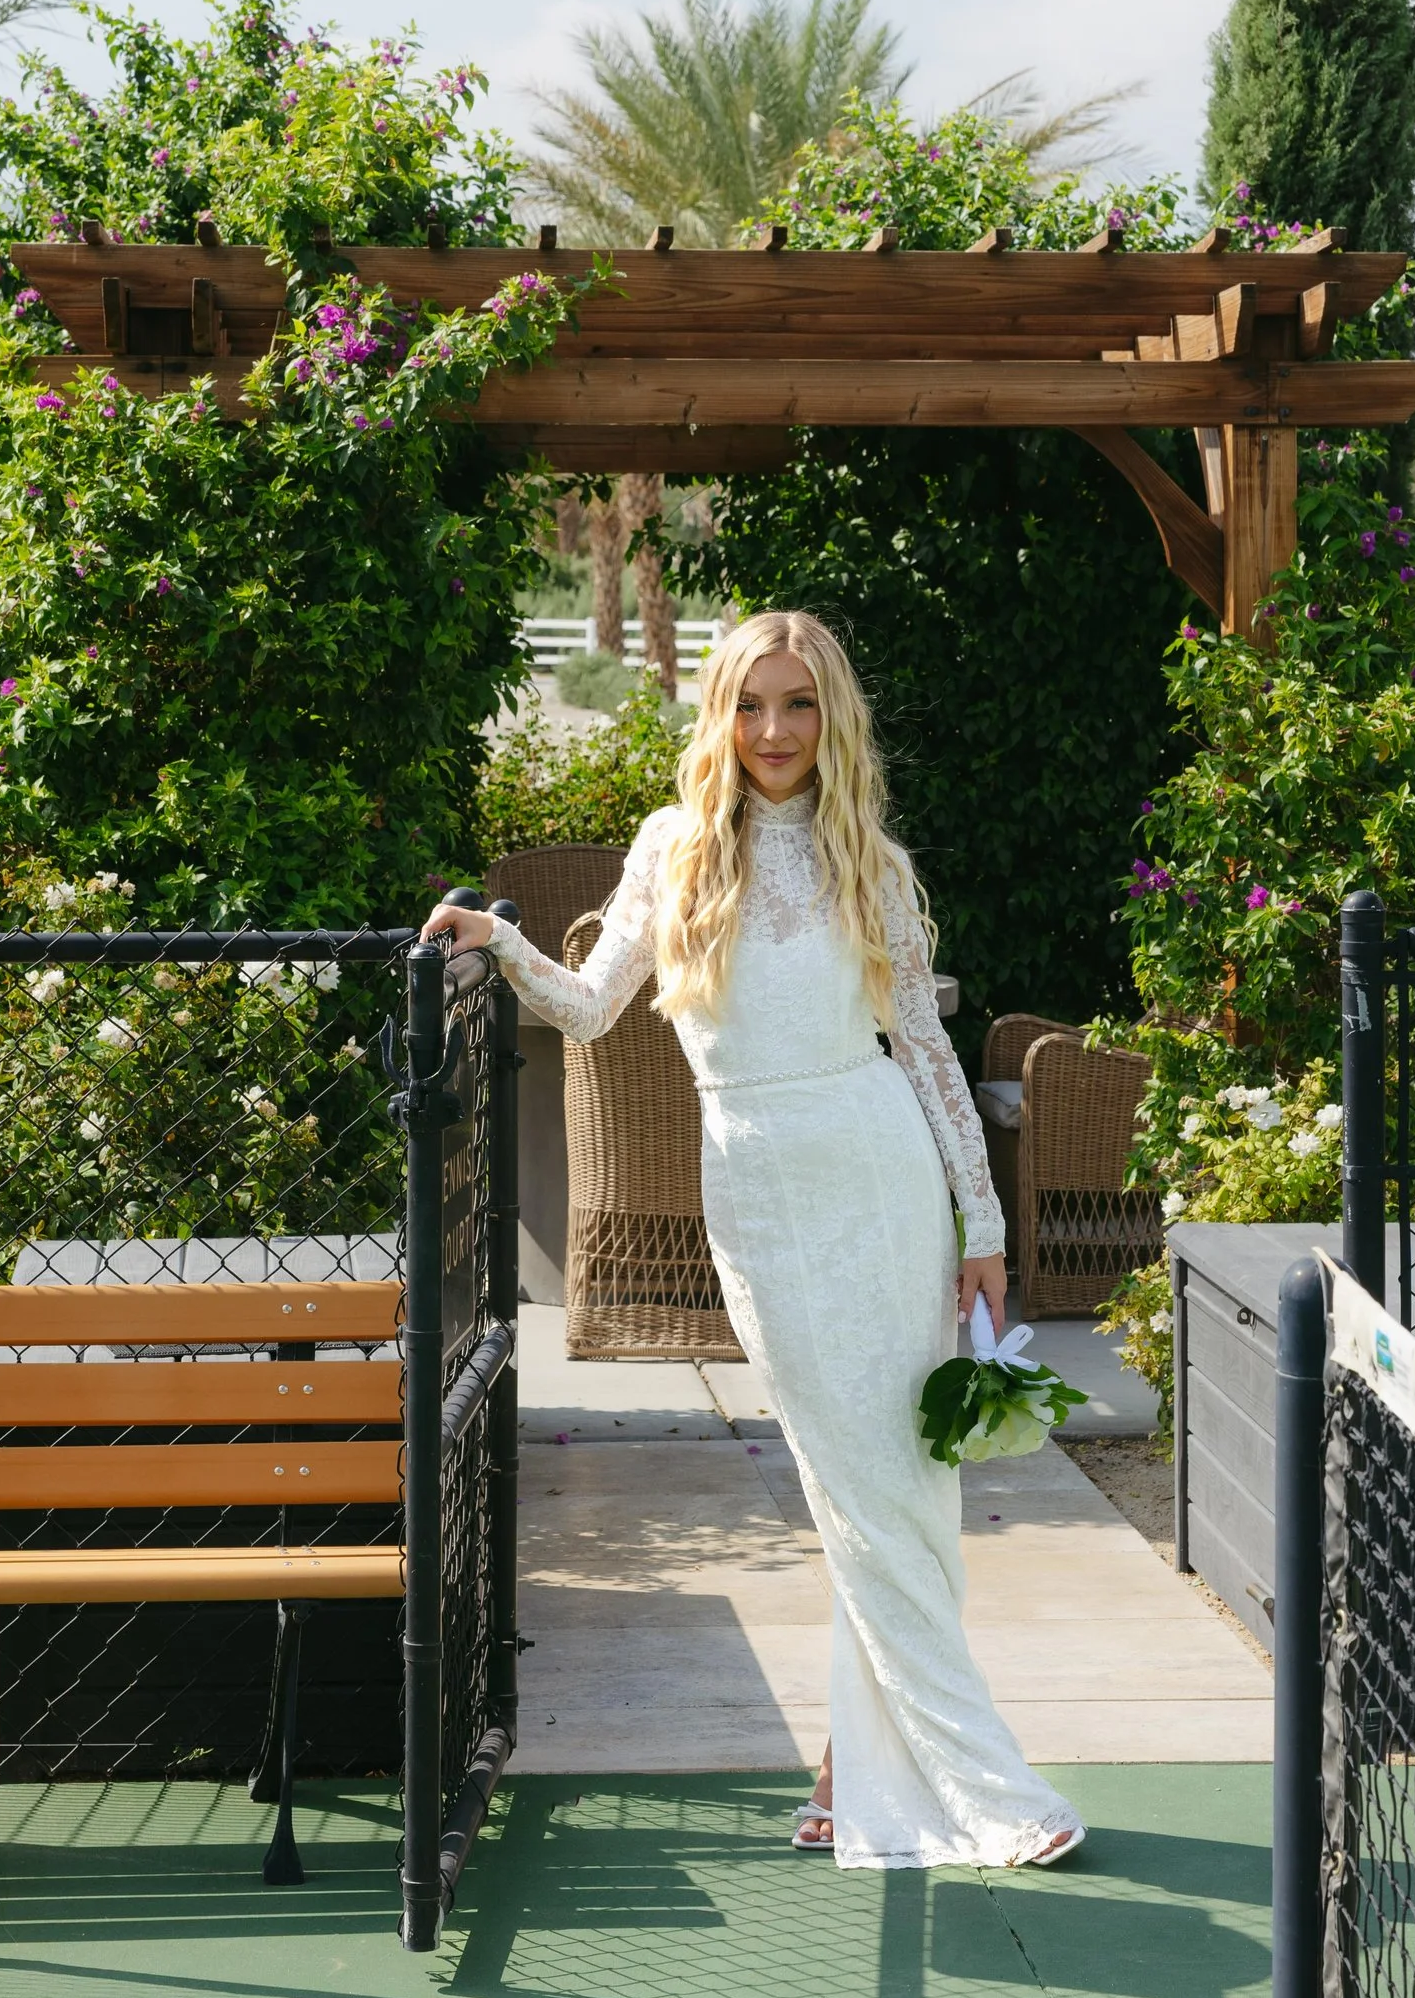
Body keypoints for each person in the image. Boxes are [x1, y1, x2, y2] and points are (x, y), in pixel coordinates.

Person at [421, 605, 1082, 1872]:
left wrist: (981, 1222)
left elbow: (930, 1051)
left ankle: (874, 1771)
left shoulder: (865, 859)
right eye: (751, 703)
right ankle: (973, 1779)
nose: (774, 730)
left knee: (903, 1485)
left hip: (882, 1172)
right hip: (766, 1195)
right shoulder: (671, 848)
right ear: (718, 714)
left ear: (832, 716)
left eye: (799, 704)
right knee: (857, 1484)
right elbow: (589, 1005)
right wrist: (495, 937)